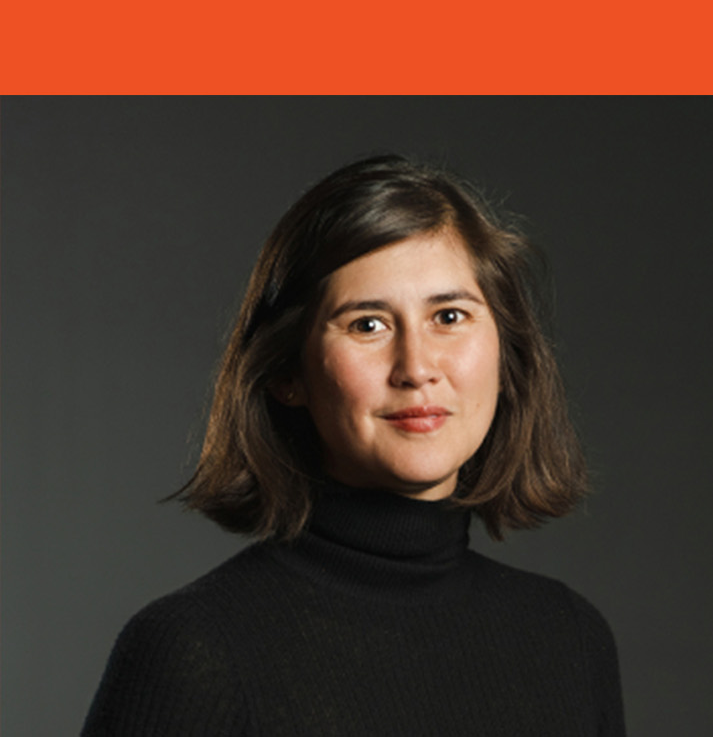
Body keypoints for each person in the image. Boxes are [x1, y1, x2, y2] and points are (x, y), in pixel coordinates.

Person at [83, 156, 624, 734]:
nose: (416, 368)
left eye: (449, 315)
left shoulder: (569, 638)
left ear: (506, 353)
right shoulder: (193, 650)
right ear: (289, 373)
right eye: (368, 325)